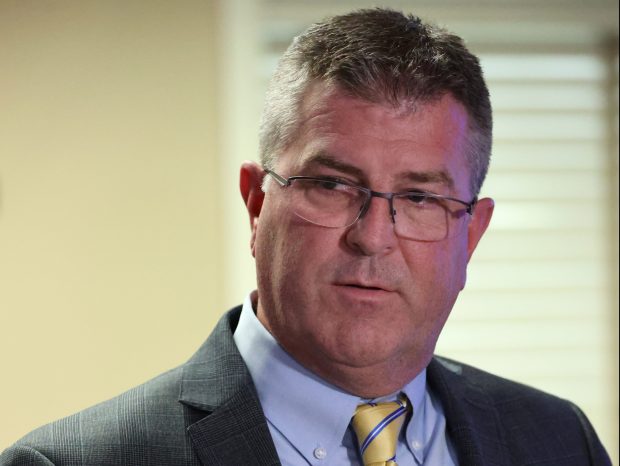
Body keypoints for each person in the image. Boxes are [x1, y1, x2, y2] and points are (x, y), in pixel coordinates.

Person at [1, 8, 611, 466]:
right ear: (255, 204)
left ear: (471, 235)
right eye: (332, 185)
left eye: (420, 197)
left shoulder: (559, 440)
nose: (373, 238)